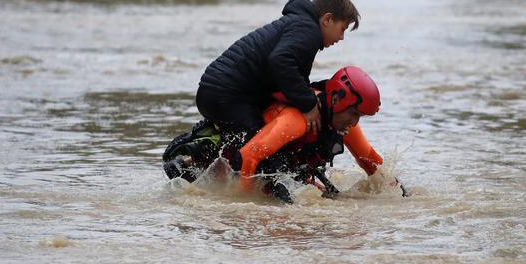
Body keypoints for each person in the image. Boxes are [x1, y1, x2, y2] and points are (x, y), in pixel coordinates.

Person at [163, 66, 408, 203]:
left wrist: (401, 193)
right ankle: (189, 161)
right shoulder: (296, 121)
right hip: (239, 163)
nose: (354, 122)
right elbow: (248, 157)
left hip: (279, 170)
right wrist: (245, 205)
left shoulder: (343, 123)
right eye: (353, 114)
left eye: (360, 117)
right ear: (335, 100)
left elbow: (370, 160)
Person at [196, 0, 360, 153]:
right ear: (327, 19)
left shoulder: (300, 24)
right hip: (226, 95)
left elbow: (289, 76)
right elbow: (280, 61)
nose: (341, 37)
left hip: (217, 92)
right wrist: (308, 104)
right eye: (342, 29)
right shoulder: (308, 30)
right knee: (264, 151)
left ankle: (192, 161)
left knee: (252, 145)